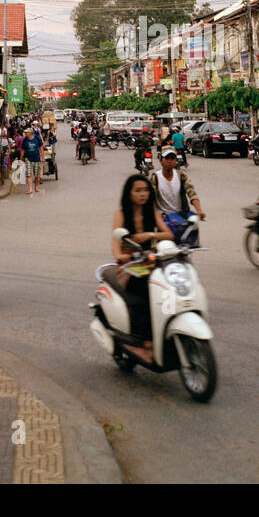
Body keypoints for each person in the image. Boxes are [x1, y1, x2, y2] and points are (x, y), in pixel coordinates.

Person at [109, 175, 173, 364]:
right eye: (137, 190)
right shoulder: (121, 214)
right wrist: (122, 256)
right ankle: (146, 345)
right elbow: (115, 245)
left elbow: (168, 234)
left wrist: (149, 235)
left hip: (150, 262)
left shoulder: (151, 210)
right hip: (128, 267)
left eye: (145, 190)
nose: (143, 194)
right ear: (129, 194)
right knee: (147, 295)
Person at [146, 148, 205, 241]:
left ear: (176, 161)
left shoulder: (181, 175)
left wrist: (199, 210)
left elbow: (191, 192)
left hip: (180, 218)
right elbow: (150, 199)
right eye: (167, 158)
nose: (170, 161)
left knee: (186, 246)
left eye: (172, 158)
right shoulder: (155, 177)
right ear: (161, 160)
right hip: (162, 219)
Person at [22, 127, 44, 195]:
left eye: (26, 132)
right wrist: (21, 158)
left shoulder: (37, 138)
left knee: (36, 174)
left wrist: (42, 157)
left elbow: (41, 147)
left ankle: (36, 187)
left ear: (30, 133)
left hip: (36, 158)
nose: (25, 133)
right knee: (29, 174)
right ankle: (30, 189)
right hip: (28, 158)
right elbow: (23, 150)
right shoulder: (25, 140)